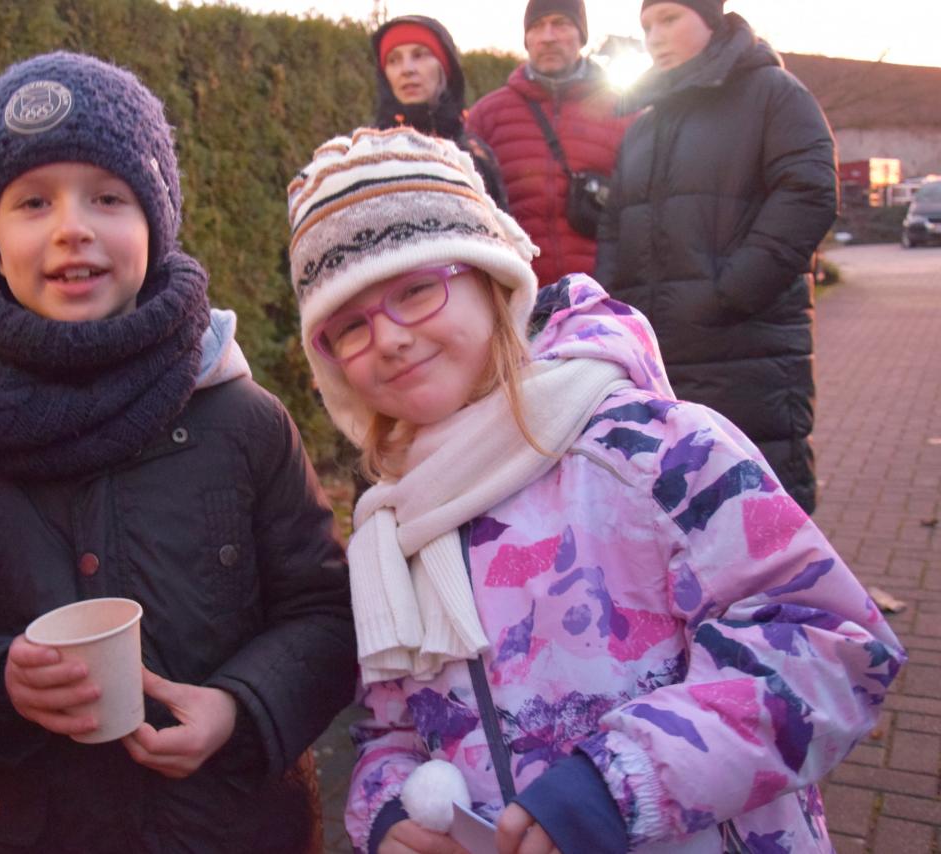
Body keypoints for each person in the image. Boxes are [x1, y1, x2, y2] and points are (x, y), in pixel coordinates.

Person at [286, 127, 903, 854]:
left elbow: (828, 642)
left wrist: (619, 782)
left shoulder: (651, 449)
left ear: (493, 281)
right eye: (348, 327)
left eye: (417, 289)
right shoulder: (392, 530)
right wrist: (388, 812)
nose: (388, 338)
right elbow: (390, 726)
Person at [0, 51, 357, 853]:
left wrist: (240, 707)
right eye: (32, 201)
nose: (72, 227)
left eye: (108, 197)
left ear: (155, 224)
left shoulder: (244, 422)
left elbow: (325, 618)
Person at [595, 0, 838, 514]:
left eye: (669, 19)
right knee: (677, 519)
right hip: (660, 363)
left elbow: (809, 191)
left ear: (711, 20)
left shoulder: (773, 94)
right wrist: (617, 315)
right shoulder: (644, 125)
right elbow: (615, 225)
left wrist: (732, 292)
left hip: (746, 349)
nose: (655, 36)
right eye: (646, 25)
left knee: (761, 514)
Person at [467, 0, 631, 287]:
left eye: (561, 24)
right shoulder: (486, 116)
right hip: (519, 296)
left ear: (581, 35)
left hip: (606, 296)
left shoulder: (625, 112)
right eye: (537, 26)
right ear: (526, 38)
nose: (548, 36)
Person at [372, 15, 509, 211]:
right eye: (393, 60)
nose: (406, 70)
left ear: (444, 67)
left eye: (419, 55)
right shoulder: (365, 153)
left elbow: (500, 226)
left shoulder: (476, 155)